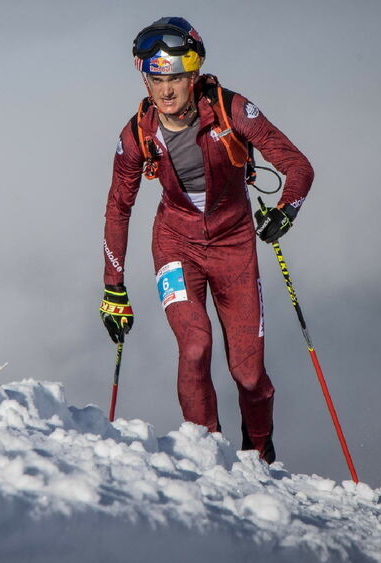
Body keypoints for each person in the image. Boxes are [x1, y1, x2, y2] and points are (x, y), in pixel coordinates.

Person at [98, 17, 314, 463]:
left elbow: (299, 166)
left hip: (234, 247)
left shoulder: (232, 110)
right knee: (195, 345)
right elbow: (119, 207)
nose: (165, 91)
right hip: (175, 245)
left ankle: (259, 454)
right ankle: (207, 454)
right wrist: (113, 289)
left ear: (193, 74)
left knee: (249, 373)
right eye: (155, 79)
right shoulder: (137, 133)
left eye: (175, 77)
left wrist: (285, 210)